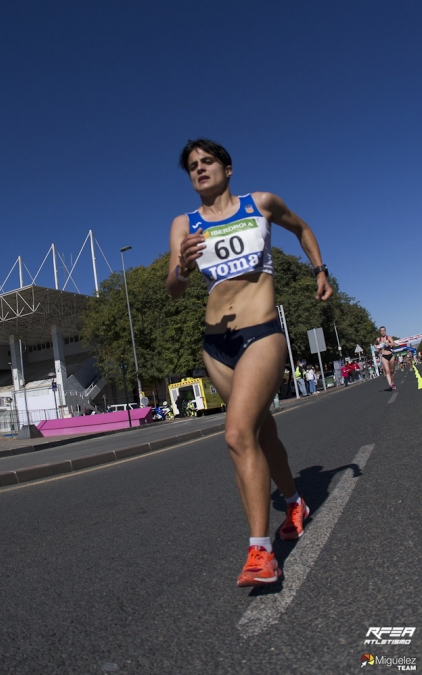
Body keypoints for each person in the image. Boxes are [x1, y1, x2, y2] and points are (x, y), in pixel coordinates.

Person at [166, 138, 333, 587]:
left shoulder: (259, 203)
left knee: (238, 433)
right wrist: (181, 266)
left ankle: (261, 553)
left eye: (208, 162)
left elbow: (301, 228)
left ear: (228, 168)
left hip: (262, 333)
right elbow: (174, 287)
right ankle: (294, 501)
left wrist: (320, 269)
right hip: (215, 344)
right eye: (192, 166)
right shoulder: (185, 222)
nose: (200, 169)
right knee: (262, 432)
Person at [374, 326, 396, 390]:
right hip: (384, 356)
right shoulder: (378, 339)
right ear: (380, 332)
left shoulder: (388, 337)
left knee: (392, 371)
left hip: (390, 355)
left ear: (385, 331)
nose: (383, 332)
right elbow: (375, 344)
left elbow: (393, 344)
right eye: (381, 331)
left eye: (384, 330)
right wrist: (377, 348)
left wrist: (388, 344)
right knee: (388, 371)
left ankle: (392, 382)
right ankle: (390, 384)